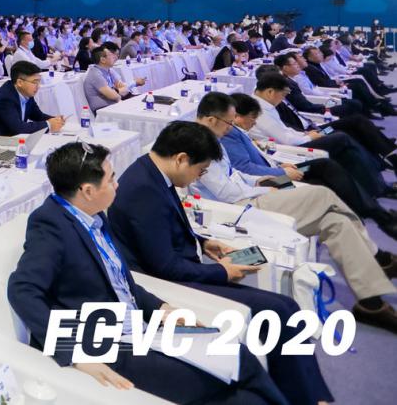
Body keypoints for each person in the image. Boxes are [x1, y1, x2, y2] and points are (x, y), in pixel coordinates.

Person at [7, 142, 285, 405]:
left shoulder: (93, 216)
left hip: (139, 327)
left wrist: (161, 307)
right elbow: (22, 290)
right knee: (231, 381)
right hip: (108, 342)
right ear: (88, 191)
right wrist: (74, 353)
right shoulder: (51, 226)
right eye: (111, 180)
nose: (117, 185)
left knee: (240, 359)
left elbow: (117, 282)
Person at [107, 121, 332, 405]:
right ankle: (307, 398)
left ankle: (308, 395)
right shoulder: (144, 189)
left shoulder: (151, 172)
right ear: (181, 159)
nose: (197, 178)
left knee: (284, 307)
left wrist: (203, 242)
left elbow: (160, 230)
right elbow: (164, 267)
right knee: (279, 310)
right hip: (166, 283)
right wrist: (222, 272)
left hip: (178, 266)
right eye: (200, 171)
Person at [190, 93, 397, 331]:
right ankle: (379, 247)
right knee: (323, 194)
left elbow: (236, 174)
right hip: (239, 209)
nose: (231, 126)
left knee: (336, 221)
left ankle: (371, 304)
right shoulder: (197, 144)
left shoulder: (214, 137)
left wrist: (262, 181)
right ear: (212, 119)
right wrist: (264, 187)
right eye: (228, 122)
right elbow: (227, 192)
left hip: (255, 191)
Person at [226, 93, 397, 237]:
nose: (255, 123)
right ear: (237, 116)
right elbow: (245, 168)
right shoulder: (230, 135)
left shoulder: (239, 130)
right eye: (252, 118)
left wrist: (280, 165)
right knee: (327, 162)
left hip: (280, 167)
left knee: (334, 159)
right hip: (272, 182)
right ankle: (378, 215)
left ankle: (372, 209)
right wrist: (281, 172)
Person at [0, 61, 66, 138]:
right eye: (34, 82)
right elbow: (18, 128)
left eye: (39, 81)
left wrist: (55, 120)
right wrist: (48, 125)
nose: (38, 86)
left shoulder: (25, 92)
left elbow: (37, 115)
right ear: (20, 82)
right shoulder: (5, 98)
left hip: (14, 139)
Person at [82, 42, 142, 111]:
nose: (114, 57)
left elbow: (125, 89)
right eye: (110, 55)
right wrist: (117, 92)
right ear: (103, 60)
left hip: (114, 105)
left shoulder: (108, 70)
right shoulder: (95, 74)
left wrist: (116, 91)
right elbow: (114, 96)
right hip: (104, 110)